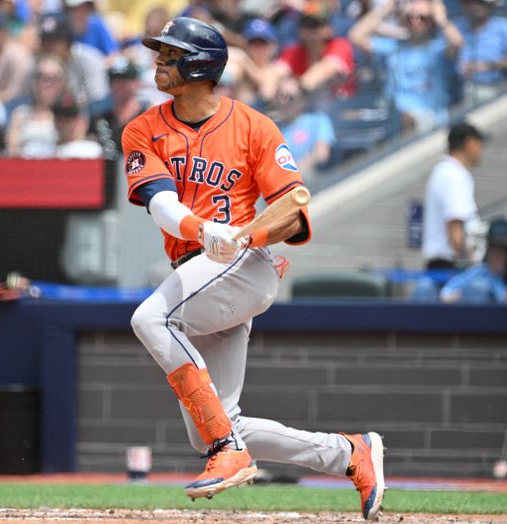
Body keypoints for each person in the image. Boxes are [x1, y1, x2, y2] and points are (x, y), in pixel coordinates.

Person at [122, 17, 385, 520]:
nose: (158, 58)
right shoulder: (143, 129)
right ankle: (351, 453)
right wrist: (203, 229)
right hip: (197, 268)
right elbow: (159, 203)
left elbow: (293, 212)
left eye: (170, 52)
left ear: (199, 65)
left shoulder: (254, 126)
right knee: (218, 420)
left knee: (149, 319)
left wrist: (245, 234)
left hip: (245, 264)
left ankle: (229, 449)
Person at [349, 0, 463, 133]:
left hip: (428, 117)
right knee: (349, 117)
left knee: (397, 119)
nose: (415, 22)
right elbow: (356, 36)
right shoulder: (393, 47)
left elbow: (457, 42)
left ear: (431, 21)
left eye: (422, 18)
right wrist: (387, 8)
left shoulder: (438, 49)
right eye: (410, 18)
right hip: (392, 117)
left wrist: (441, 18)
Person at [422, 122, 485, 270]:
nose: (480, 150)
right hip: (450, 266)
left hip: (446, 264)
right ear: (469, 142)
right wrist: (472, 269)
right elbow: (456, 233)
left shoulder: (446, 172)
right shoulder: (453, 175)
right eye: (478, 143)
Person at [455, 0, 507, 105]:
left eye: (482, 3)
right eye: (475, 2)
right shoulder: (457, 27)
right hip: (462, 91)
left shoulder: (504, 26)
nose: (479, 6)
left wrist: (487, 66)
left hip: (497, 88)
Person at [276, 10, 356, 99]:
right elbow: (272, 75)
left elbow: (323, 71)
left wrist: (296, 85)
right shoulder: (294, 52)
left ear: (328, 29)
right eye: (306, 26)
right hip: (309, 106)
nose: (310, 32)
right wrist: (280, 84)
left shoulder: (340, 45)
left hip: (343, 103)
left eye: (315, 26)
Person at [5, 55, 65, 158]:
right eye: (42, 77)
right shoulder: (20, 113)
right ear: (33, 82)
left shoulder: (68, 113)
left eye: (54, 78)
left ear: (62, 82)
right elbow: (12, 149)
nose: (48, 83)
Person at [53, 93, 103, 159]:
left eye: (69, 119)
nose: (65, 124)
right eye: (60, 119)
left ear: (81, 121)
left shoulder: (92, 150)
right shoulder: (45, 150)